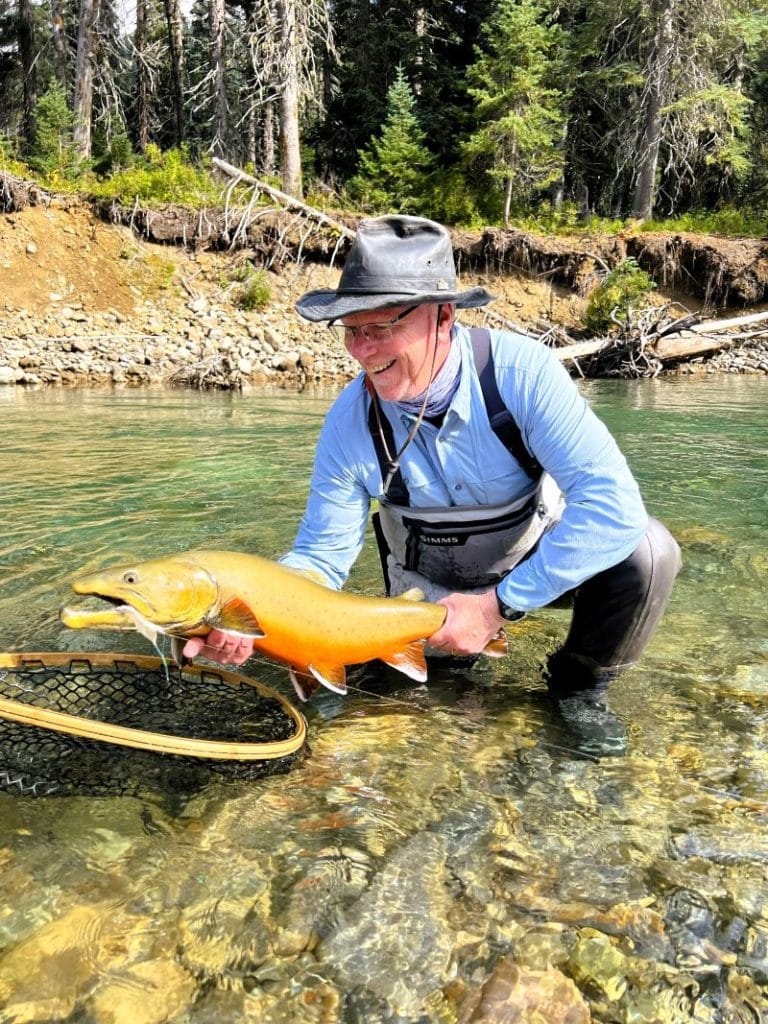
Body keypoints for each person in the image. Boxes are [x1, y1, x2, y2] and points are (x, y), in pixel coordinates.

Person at [185, 215, 681, 756]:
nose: (362, 352)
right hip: (429, 598)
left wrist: (497, 607)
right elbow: (321, 558)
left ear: (443, 316)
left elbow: (612, 508)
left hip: (537, 572)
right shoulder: (349, 423)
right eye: (351, 330)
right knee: (423, 711)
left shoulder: (522, 376)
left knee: (648, 552)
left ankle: (579, 693)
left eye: (379, 328)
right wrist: (249, 612)